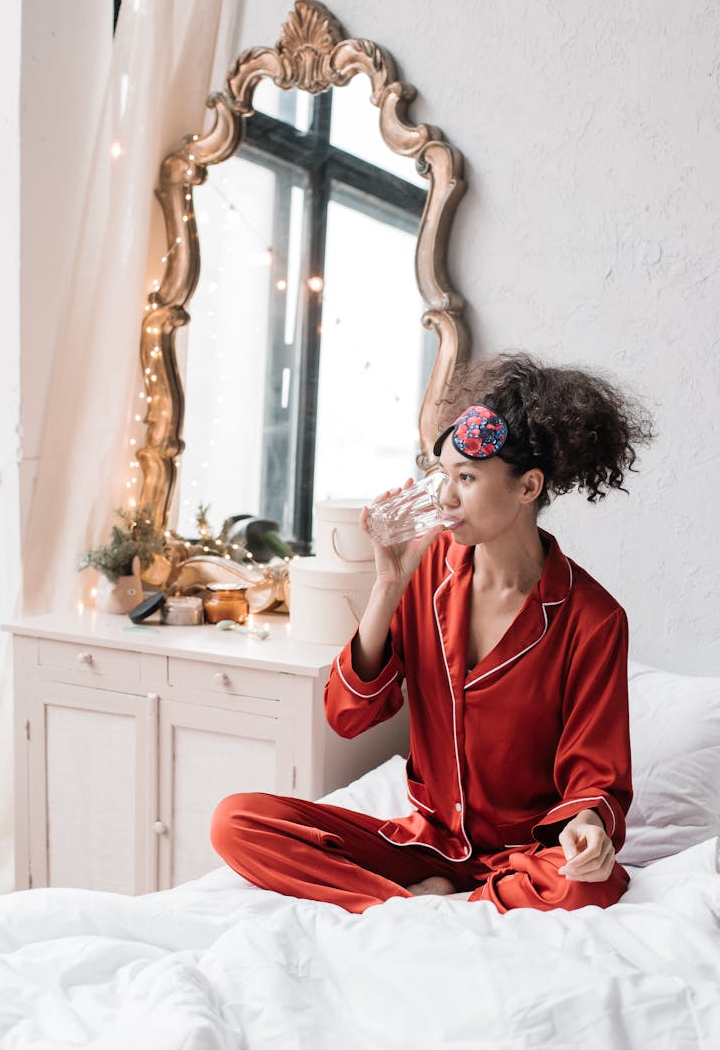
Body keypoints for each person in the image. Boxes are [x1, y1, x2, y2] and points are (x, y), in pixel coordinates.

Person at [211, 352, 654, 914]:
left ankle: (429, 905)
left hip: (526, 853)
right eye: (442, 475)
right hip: (427, 844)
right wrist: (387, 586)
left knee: (586, 883)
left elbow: (595, 774)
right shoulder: (424, 569)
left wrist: (587, 827)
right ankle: (418, 903)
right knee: (237, 821)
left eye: (466, 479)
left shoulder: (592, 619)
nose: (445, 498)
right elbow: (348, 716)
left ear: (527, 487)